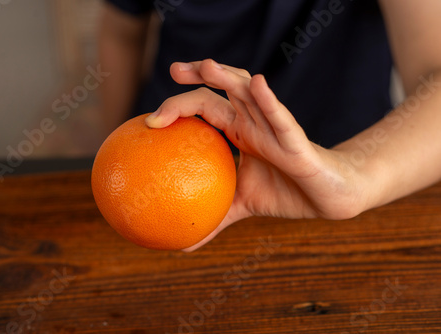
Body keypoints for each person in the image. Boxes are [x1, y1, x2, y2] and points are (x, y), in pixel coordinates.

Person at [99, 0, 441, 251]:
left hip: (348, 175)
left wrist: (353, 175)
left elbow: (435, 72)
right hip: (155, 176)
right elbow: (120, 34)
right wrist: (112, 149)